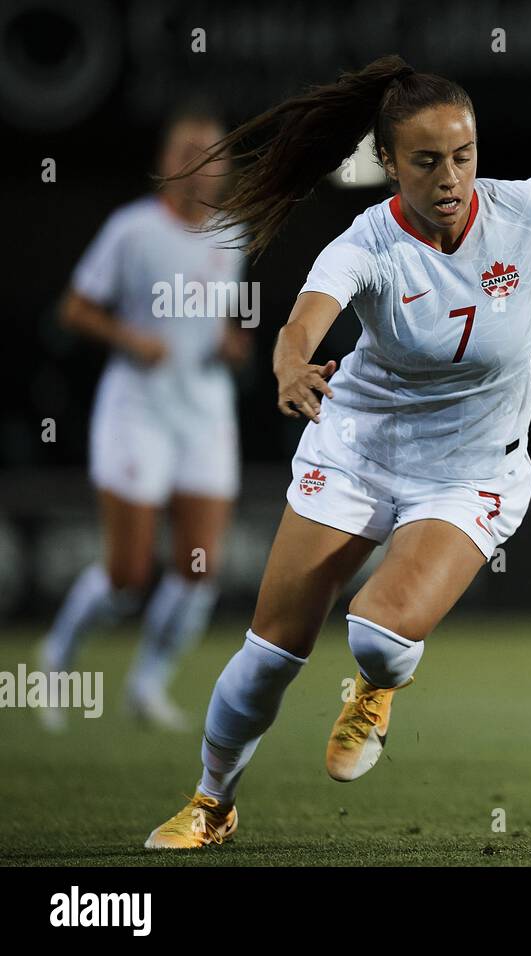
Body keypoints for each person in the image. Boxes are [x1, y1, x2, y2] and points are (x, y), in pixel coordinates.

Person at [143, 55, 531, 849]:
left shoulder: (520, 211)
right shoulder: (369, 242)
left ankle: (375, 689)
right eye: (425, 160)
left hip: (474, 471)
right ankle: (213, 802)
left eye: (464, 154)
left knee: (377, 636)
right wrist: (288, 362)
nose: (450, 177)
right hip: (356, 452)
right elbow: (306, 318)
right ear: (388, 163)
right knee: (271, 654)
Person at [38, 105, 250, 732]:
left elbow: (221, 323)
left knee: (199, 569)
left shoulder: (231, 235)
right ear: (164, 163)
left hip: (203, 410)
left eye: (212, 155)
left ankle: (148, 684)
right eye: (187, 152)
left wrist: (231, 344)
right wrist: (132, 339)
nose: (199, 167)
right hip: (137, 410)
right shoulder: (131, 230)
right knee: (128, 573)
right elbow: (74, 309)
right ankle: (57, 658)